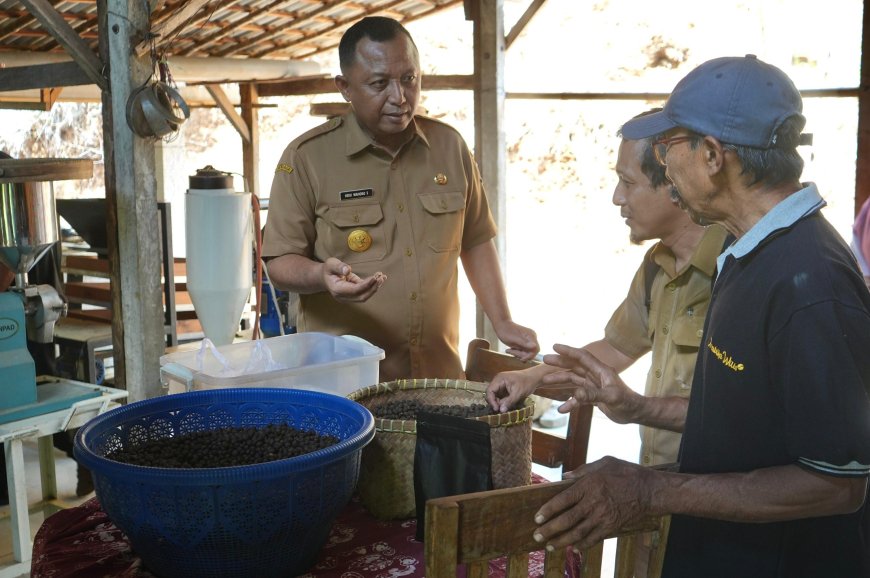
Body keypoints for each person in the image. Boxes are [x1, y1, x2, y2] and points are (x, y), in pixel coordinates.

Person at [529, 55, 870, 577]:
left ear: (712, 155)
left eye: (669, 147)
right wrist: (639, 416)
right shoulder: (746, 252)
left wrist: (654, 489)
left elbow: (836, 483)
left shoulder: (811, 284)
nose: (664, 165)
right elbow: (745, 418)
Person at [262, 16, 538, 382]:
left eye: (409, 79)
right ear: (345, 87)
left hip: (437, 378)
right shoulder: (307, 158)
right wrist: (319, 276)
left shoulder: (449, 147)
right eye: (379, 83)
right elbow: (279, 261)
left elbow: (475, 240)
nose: (399, 97)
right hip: (349, 387)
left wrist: (502, 320)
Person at [487, 110, 729, 470]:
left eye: (628, 183)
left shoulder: (735, 270)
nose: (618, 198)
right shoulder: (656, 266)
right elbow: (617, 347)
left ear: (675, 184)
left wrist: (637, 407)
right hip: (657, 487)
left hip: (713, 495)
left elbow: (743, 416)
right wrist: (533, 376)